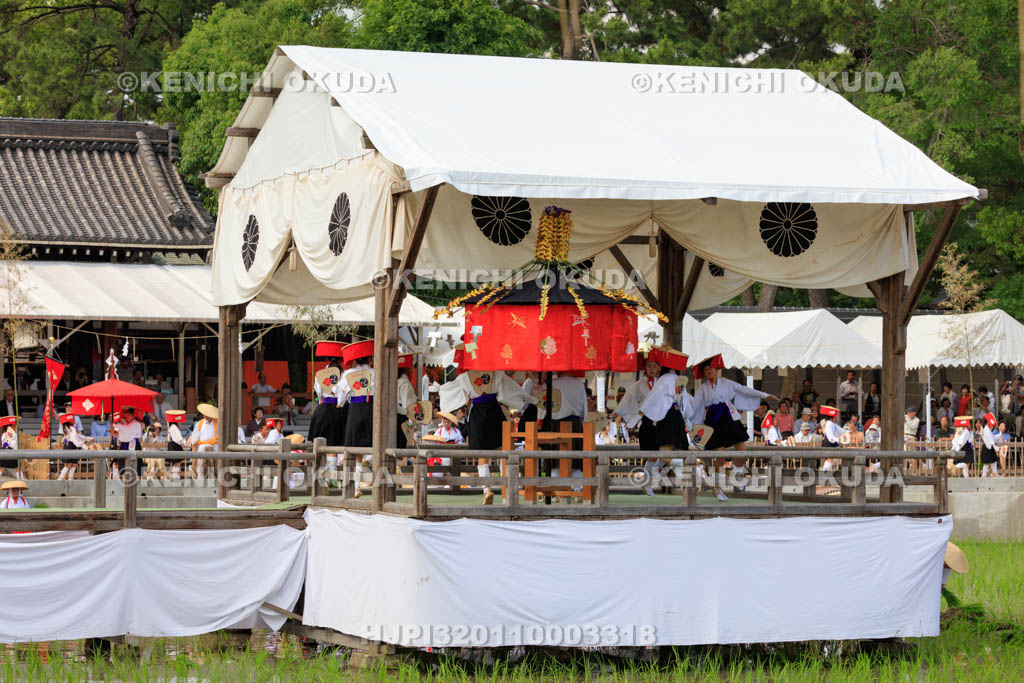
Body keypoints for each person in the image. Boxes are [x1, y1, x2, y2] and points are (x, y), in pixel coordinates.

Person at [440, 367, 536, 504]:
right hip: (494, 412)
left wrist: (439, 389)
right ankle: (508, 489)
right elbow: (506, 393)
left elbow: (450, 391)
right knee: (505, 450)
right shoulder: (496, 373)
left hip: (478, 415)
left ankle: (486, 490)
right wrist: (528, 399)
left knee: (482, 455)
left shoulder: (466, 377)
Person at [690, 354, 775, 501]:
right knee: (720, 456)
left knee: (742, 448)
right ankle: (717, 487)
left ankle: (737, 474)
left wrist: (764, 395)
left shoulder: (726, 383)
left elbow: (744, 389)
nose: (709, 372)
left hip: (730, 417)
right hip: (713, 420)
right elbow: (695, 405)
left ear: (716, 370)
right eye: (706, 370)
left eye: (711, 369)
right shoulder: (703, 388)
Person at [635, 348, 691, 496]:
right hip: (673, 417)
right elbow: (685, 402)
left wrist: (640, 413)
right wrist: (688, 419)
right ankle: (689, 472)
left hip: (662, 418)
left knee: (660, 454)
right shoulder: (677, 380)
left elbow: (653, 397)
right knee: (663, 454)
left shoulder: (664, 379)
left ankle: (687, 472)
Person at [308, 366, 347, 448]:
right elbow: (344, 394)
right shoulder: (345, 374)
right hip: (340, 409)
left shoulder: (320, 374)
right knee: (338, 441)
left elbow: (319, 393)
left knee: (320, 442)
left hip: (324, 409)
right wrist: (340, 402)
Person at [186, 403, 219, 480]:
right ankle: (200, 480)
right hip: (202, 448)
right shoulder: (200, 423)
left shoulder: (218, 423)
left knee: (213, 470)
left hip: (214, 448)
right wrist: (191, 442)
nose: (205, 416)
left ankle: (213, 481)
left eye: (207, 415)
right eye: (205, 414)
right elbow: (195, 435)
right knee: (201, 466)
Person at [396, 354, 417, 450]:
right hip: (402, 417)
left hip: (394, 416)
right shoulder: (405, 383)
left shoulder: (396, 380)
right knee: (400, 445)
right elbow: (408, 405)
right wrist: (411, 421)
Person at [165, 410, 187, 479]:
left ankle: (175, 474)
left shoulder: (170, 427)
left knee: (177, 462)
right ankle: (175, 475)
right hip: (175, 445)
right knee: (178, 461)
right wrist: (183, 443)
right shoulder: (174, 427)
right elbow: (179, 437)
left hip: (171, 444)